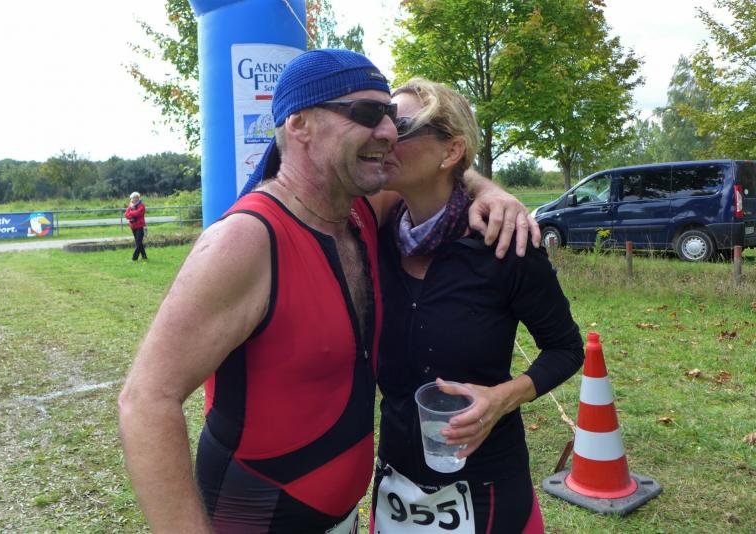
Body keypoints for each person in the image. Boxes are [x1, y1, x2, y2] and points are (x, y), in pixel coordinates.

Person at [118, 49, 536, 533]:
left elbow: (440, 167)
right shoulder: (247, 240)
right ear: (300, 125)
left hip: (345, 514)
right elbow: (146, 401)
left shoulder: (361, 212)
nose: (388, 132)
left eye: (391, 116)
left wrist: (491, 191)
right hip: (257, 515)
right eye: (367, 113)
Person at [371, 78, 585, 533]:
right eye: (382, 121)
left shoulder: (505, 243)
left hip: (489, 485)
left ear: (451, 152)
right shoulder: (376, 234)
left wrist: (501, 399)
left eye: (401, 126)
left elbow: (566, 348)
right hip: (396, 481)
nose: (384, 134)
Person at [124, 192, 147, 261]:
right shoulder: (130, 206)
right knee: (138, 242)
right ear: (131, 199)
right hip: (133, 226)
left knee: (138, 242)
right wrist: (131, 214)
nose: (135, 199)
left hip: (140, 226)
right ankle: (144, 256)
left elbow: (138, 213)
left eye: (136, 197)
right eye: (133, 198)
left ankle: (134, 258)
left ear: (138, 198)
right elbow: (126, 215)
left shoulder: (141, 205)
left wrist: (130, 213)